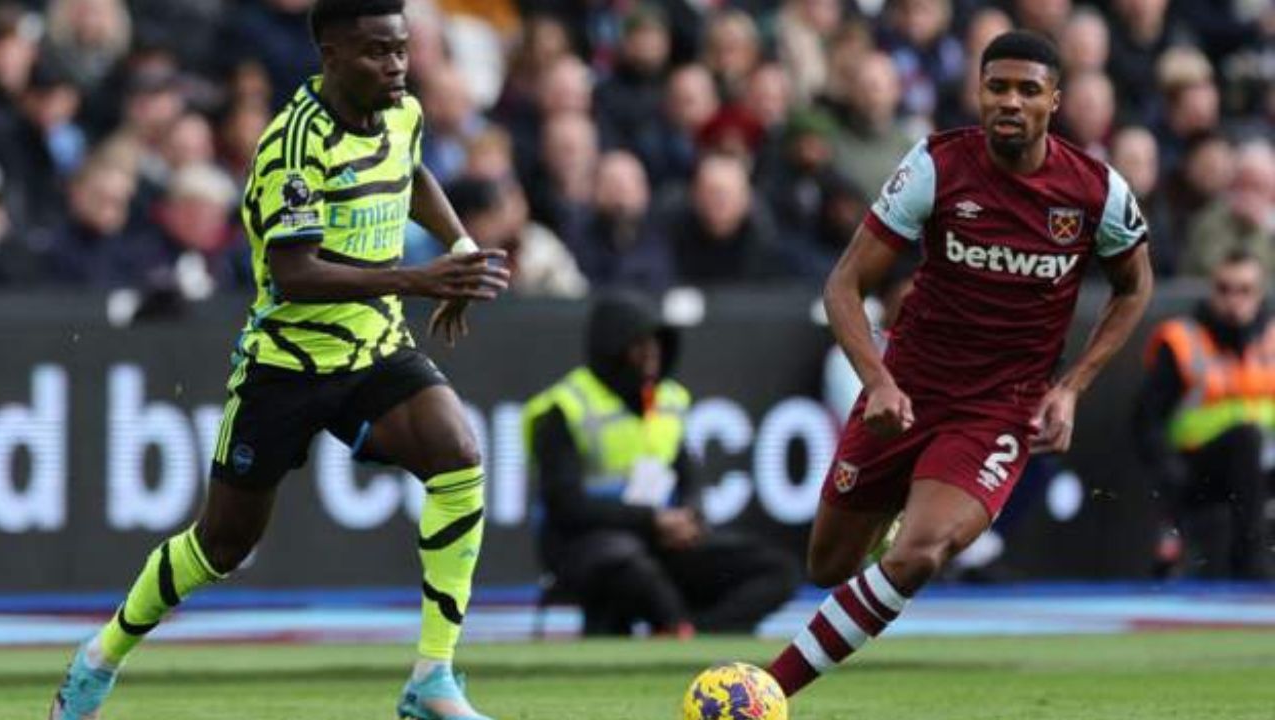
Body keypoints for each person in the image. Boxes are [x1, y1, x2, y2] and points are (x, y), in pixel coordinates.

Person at [49, 2, 511, 720]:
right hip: (286, 365)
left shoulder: (403, 113)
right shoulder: (292, 148)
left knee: (459, 457)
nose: (394, 66)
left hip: (374, 347)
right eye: (375, 53)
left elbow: (411, 173)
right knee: (221, 545)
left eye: (401, 50)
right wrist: (417, 281)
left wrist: (456, 248)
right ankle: (100, 657)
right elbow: (295, 273)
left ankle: (433, 679)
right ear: (330, 54)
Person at [760, 31, 1154, 700]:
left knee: (919, 555)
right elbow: (843, 287)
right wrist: (878, 380)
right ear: (979, 93)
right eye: (998, 86)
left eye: (1029, 89)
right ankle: (903, 506)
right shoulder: (937, 167)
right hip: (908, 389)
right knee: (829, 564)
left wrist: (1071, 387)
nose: (1011, 101)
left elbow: (1134, 286)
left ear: (1055, 101)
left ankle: (765, 690)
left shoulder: (1096, 192)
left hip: (999, 406)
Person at [522, 293, 800, 637]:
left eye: (656, 340)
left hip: (660, 540)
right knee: (630, 567)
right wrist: (650, 520)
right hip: (585, 545)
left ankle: (695, 632)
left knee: (778, 570)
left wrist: (689, 517)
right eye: (639, 342)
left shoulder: (669, 401)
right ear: (611, 347)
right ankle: (675, 625)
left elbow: (689, 479)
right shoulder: (565, 408)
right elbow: (566, 504)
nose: (652, 351)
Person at [1134, 249, 1274, 579]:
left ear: (1260, 293)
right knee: (1245, 438)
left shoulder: (1270, 340)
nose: (1234, 300)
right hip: (1198, 467)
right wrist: (1169, 469)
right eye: (1225, 289)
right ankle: (1251, 570)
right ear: (1212, 290)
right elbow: (1146, 419)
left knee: (1251, 443)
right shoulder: (1183, 340)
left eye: (1244, 290)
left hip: (1264, 467)